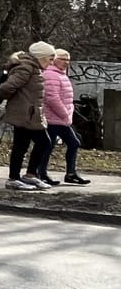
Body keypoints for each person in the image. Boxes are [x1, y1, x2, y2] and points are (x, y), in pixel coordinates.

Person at [0, 41, 56, 190]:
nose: (51, 63)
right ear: (41, 56)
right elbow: (7, 87)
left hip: (29, 113)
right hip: (25, 114)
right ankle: (17, 177)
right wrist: (19, 102)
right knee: (42, 142)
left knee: (22, 145)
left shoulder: (33, 67)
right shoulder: (26, 68)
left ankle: (25, 176)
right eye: (50, 59)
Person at [37, 48, 90, 186]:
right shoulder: (51, 74)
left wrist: (69, 112)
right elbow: (52, 98)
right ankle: (41, 173)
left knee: (74, 142)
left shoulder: (61, 74)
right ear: (54, 59)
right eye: (62, 59)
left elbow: (67, 97)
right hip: (52, 118)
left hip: (62, 119)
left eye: (68, 60)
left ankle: (70, 174)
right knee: (48, 145)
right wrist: (65, 114)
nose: (66, 62)